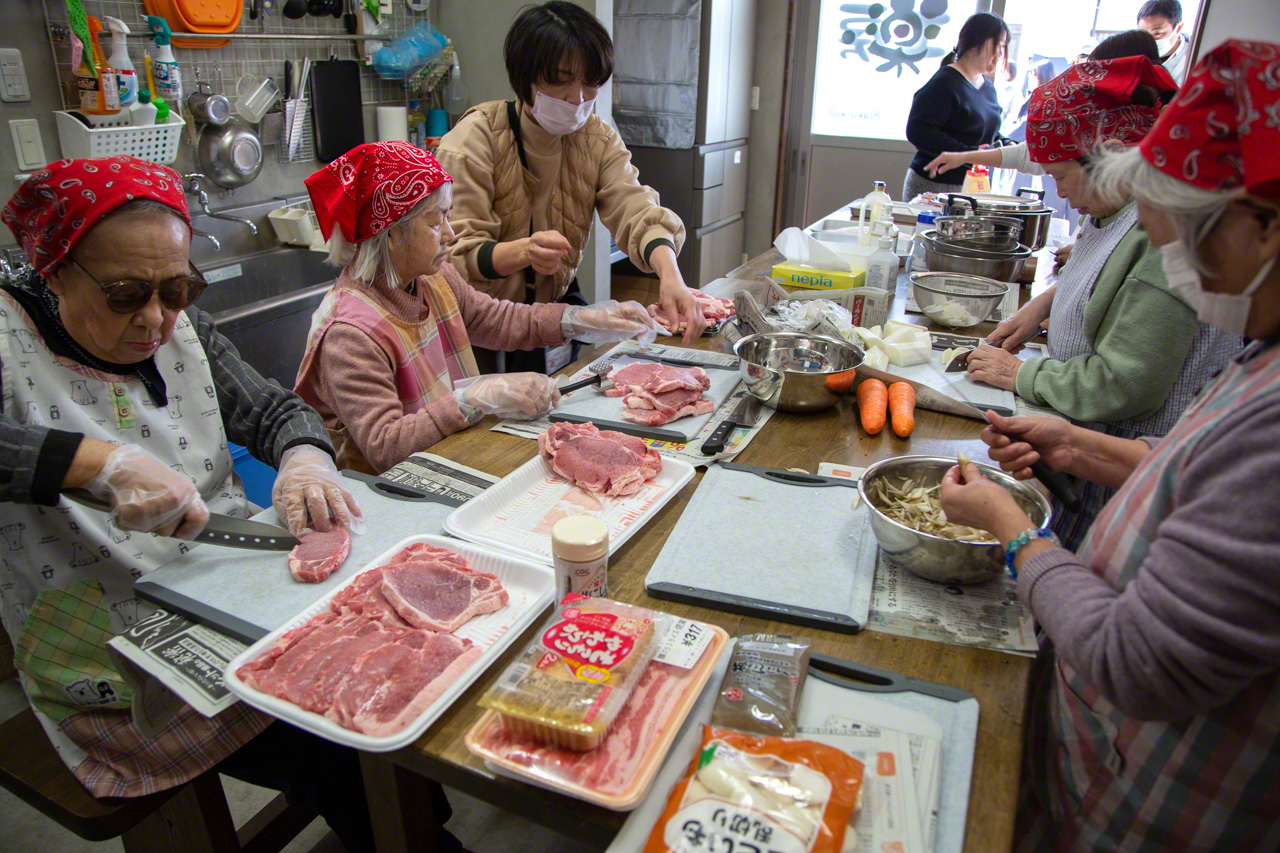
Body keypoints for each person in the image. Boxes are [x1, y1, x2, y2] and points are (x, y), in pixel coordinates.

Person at [0, 158, 402, 852]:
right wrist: (95, 462)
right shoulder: (10, 345)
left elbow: (275, 408)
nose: (156, 318)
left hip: (231, 590)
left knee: (381, 666)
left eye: (177, 289)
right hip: (114, 656)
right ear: (57, 270)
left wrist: (304, 455)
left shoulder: (183, 331)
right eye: (126, 293)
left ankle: (403, 827)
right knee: (335, 730)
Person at [937, 40, 1280, 850]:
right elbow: (1199, 469)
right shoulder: (1264, 354)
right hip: (1100, 763)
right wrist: (1080, 447)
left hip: (1165, 809)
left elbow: (1135, 661)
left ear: (1263, 226)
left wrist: (1016, 532)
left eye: (1180, 241)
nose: (1171, 269)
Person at [960, 56, 1241, 549]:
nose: (1062, 194)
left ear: (1109, 159)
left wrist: (1019, 374)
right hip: (1088, 455)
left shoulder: (1159, 230)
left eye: (1062, 177)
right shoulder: (1114, 210)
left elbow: (1126, 381)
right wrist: (1046, 302)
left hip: (1128, 484)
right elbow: (1112, 280)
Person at [294, 141, 660, 475]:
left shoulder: (431, 278)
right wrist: (472, 398)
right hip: (389, 490)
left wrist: (579, 319)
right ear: (390, 234)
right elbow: (386, 446)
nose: (450, 234)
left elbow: (494, 319)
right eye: (436, 222)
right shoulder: (349, 333)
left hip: (445, 458)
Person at [436, 0, 706, 361]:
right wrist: (522, 252)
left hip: (550, 314)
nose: (577, 98)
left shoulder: (596, 138)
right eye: (560, 80)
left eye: (590, 82)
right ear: (525, 76)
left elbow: (635, 207)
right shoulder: (475, 139)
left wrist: (670, 276)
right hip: (483, 323)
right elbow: (455, 255)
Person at [902, 11, 1011, 201]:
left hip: (973, 187)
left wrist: (1004, 143)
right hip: (936, 186)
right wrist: (966, 152)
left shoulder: (987, 87)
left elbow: (982, 131)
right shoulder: (945, 82)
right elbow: (918, 130)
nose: (1000, 54)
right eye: (999, 45)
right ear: (979, 42)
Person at [1137, 0, 1192, 84]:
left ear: (1178, 28)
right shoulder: (1132, 53)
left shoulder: (1195, 56)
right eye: (1143, 33)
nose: (1149, 40)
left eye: (1157, 33)